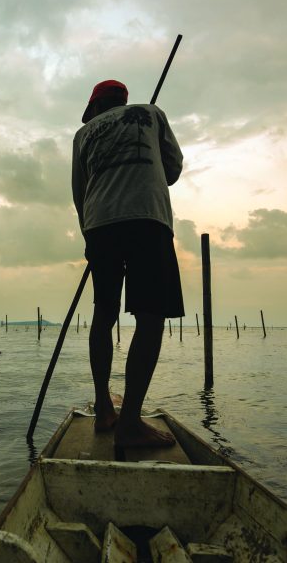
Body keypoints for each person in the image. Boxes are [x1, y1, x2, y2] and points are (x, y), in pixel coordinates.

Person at [71, 79, 184, 447]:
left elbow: (79, 193)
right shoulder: (151, 114)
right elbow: (172, 171)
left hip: (99, 225)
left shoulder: (83, 134)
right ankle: (129, 423)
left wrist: (89, 238)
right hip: (146, 220)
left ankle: (105, 409)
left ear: (95, 106)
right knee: (150, 317)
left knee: (104, 314)